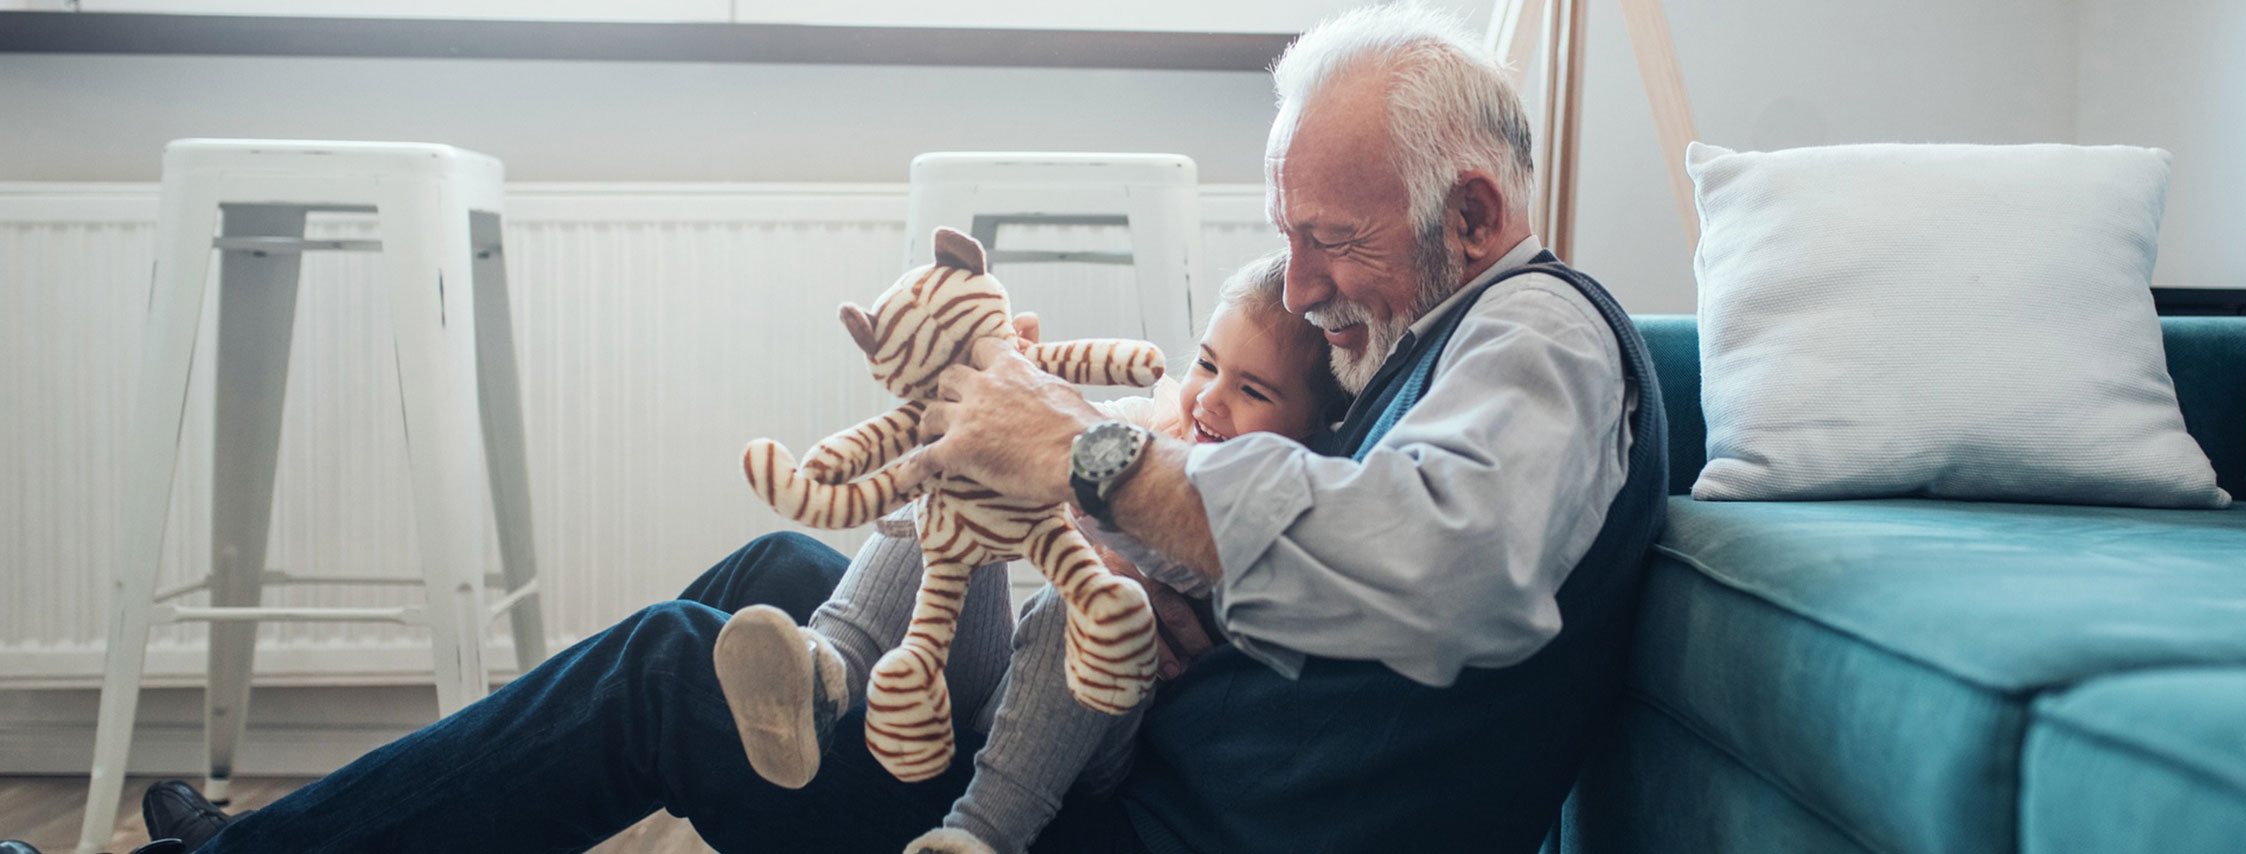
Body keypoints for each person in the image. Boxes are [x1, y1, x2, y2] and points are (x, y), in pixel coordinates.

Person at [55, 5, 1664, 853]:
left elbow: (1452, 566)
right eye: (1285, 237)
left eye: (1334, 241)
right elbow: (1311, 539)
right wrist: (1150, 564)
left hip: (1134, 822)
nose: (1298, 287)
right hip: (1139, 752)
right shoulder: (1427, 339)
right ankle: (304, 837)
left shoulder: (1541, 333)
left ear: (1472, 213)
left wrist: (1096, 463)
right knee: (777, 573)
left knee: (671, 672)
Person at [711, 249, 1344, 854]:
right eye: (1206, 364)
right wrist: (1015, 394)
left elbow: (1186, 562)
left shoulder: (1267, 515)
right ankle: (824, 675)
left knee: (1084, 602)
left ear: (1311, 431)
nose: (1209, 399)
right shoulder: (1155, 424)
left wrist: (1101, 514)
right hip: (1003, 695)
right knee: (966, 464)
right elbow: (1050, 437)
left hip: (1089, 741)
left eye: (1253, 392)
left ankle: (981, 832)